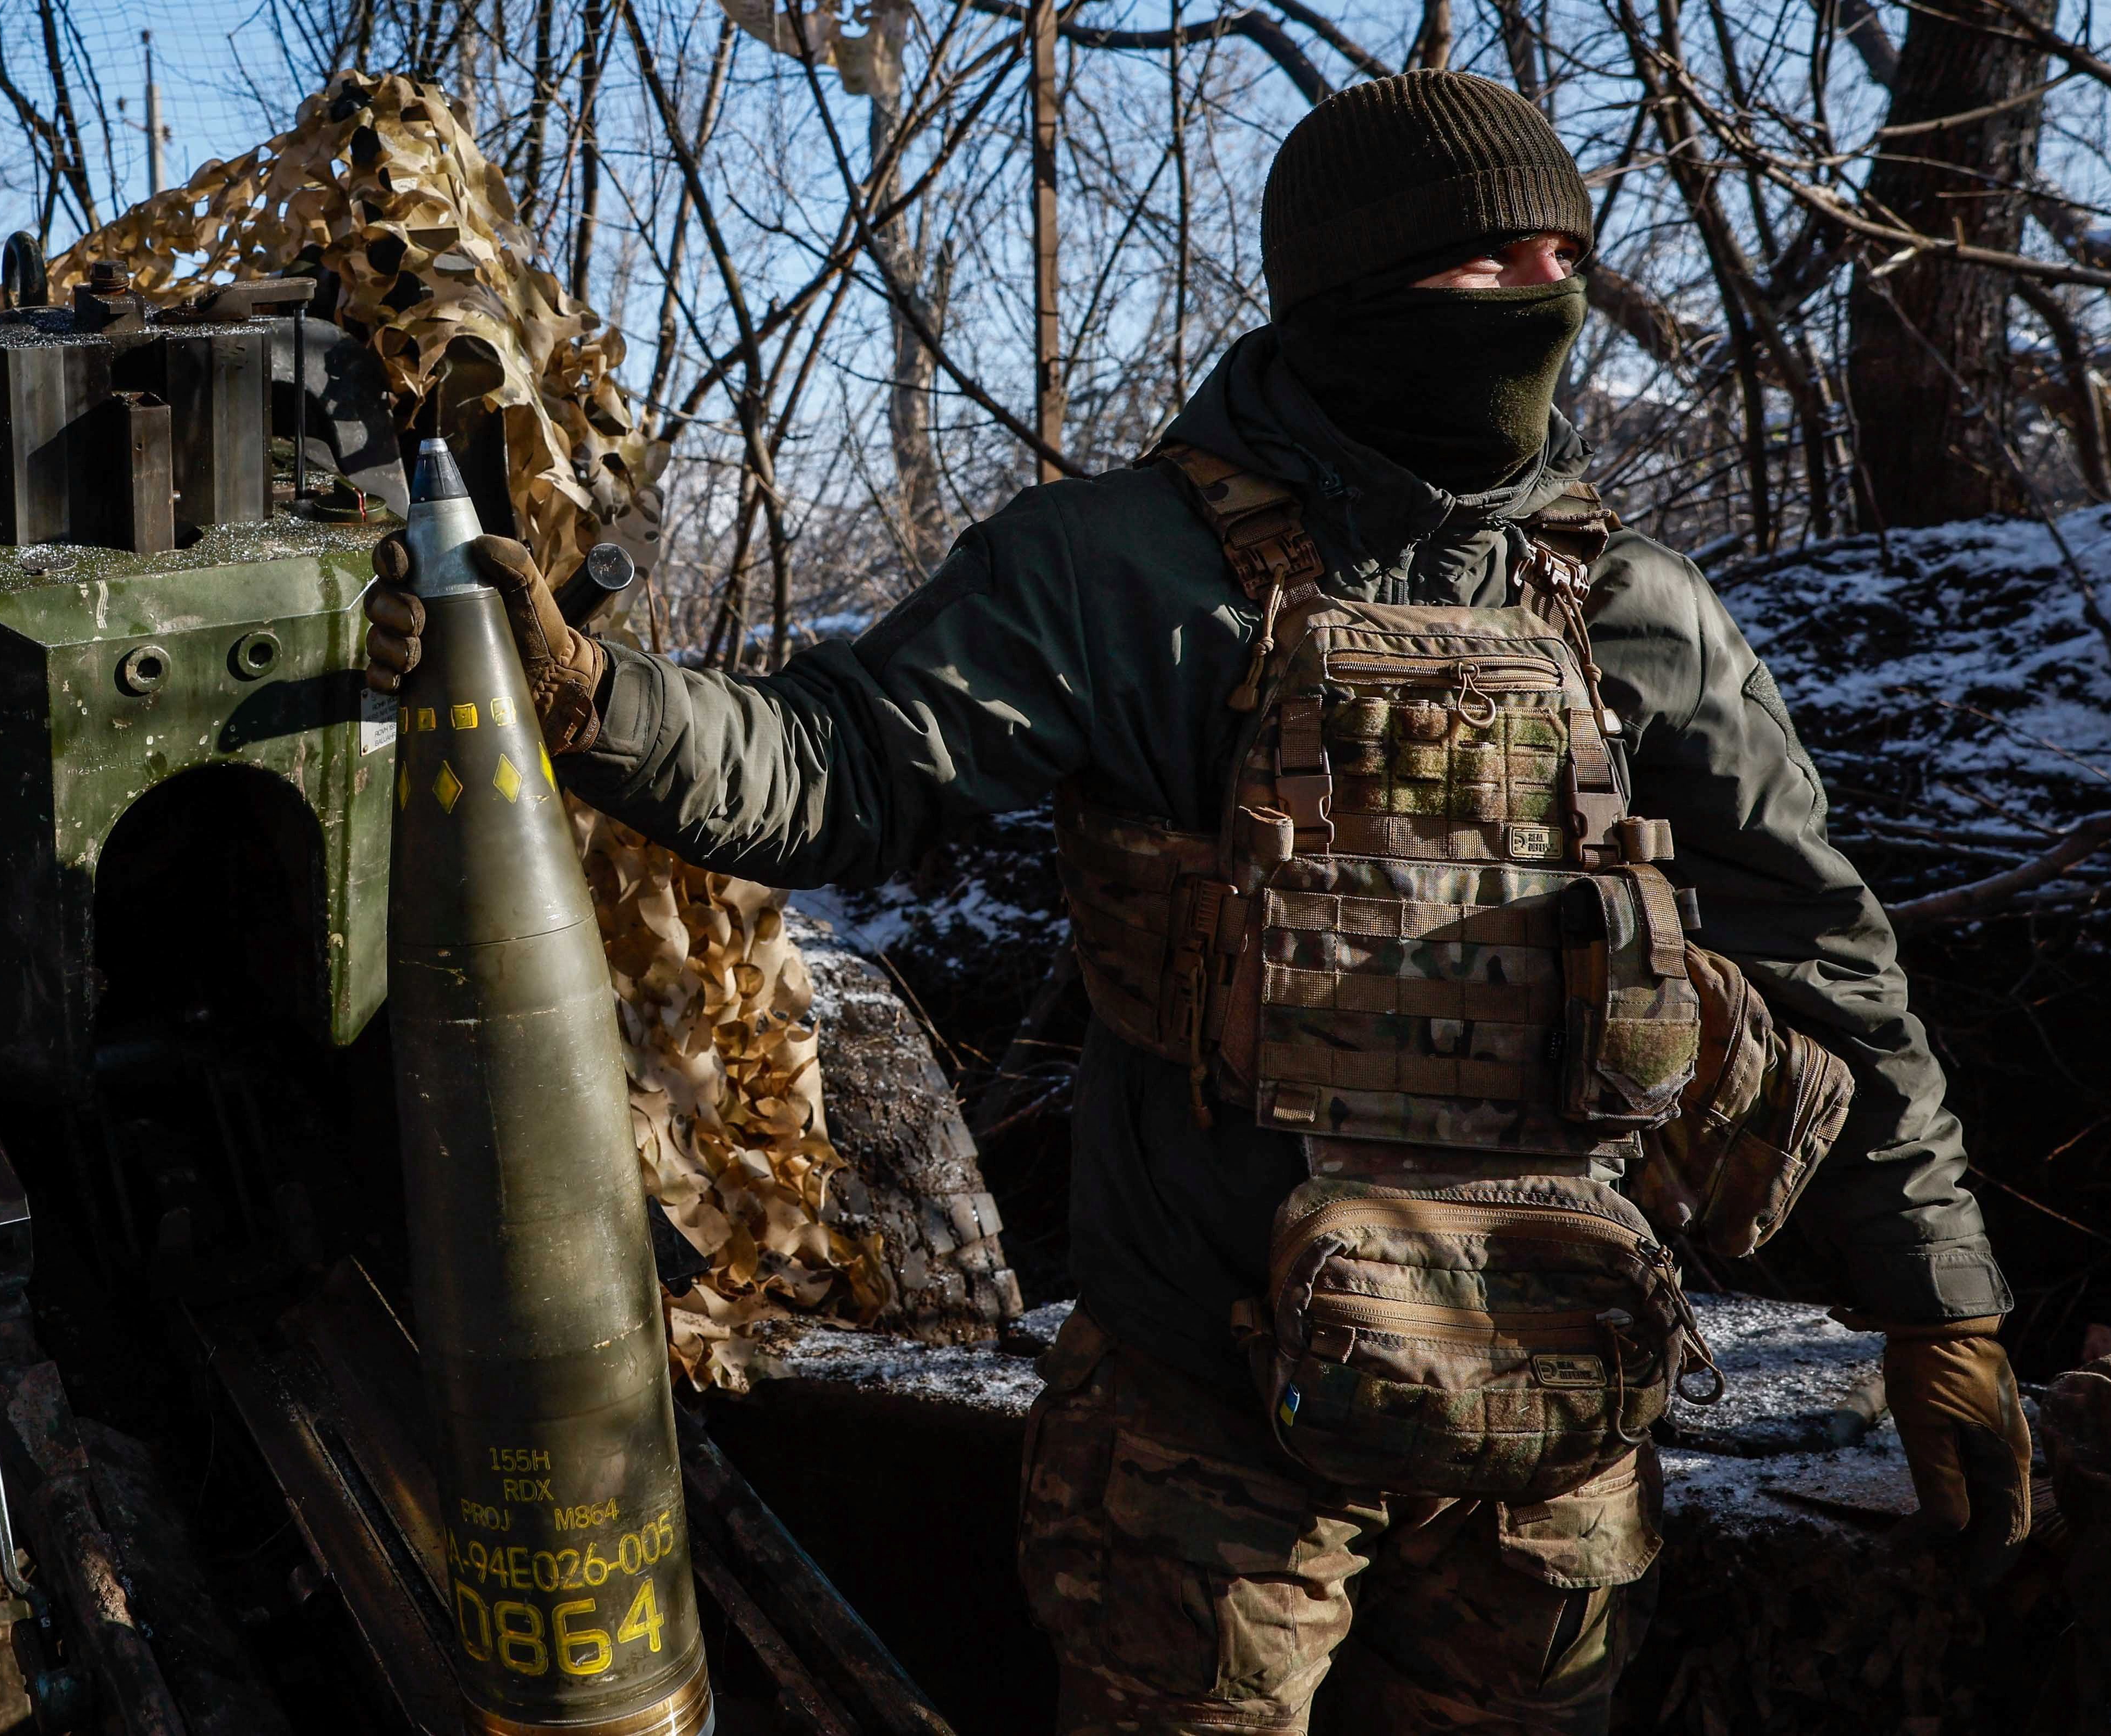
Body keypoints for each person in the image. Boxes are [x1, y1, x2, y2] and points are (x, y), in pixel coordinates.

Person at [364, 70, 2028, 1736]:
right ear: (1350, 291)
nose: (1544, 298)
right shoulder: (1116, 569)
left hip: (1552, 1422)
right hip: (1209, 1429)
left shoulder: (1636, 609)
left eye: (1561, 258)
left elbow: (1822, 962)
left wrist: (1937, 1301)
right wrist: (593, 696)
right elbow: (837, 763)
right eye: (1489, 263)